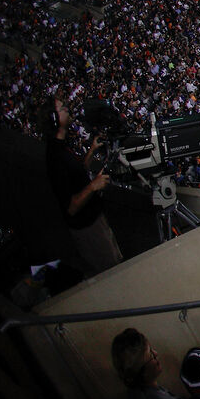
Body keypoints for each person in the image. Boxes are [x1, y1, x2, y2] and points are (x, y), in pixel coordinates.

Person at [42, 95, 122, 275]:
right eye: (62, 108)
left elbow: (76, 173)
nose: (67, 110)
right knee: (112, 272)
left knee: (116, 260)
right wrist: (93, 186)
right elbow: (70, 207)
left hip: (95, 218)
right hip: (87, 228)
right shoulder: (54, 157)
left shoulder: (61, 146)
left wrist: (92, 150)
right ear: (55, 119)